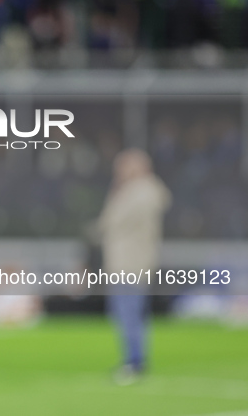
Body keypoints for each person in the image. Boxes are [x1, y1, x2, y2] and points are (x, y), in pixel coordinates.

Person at [97, 148, 170, 385]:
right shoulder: (138, 191)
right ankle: (134, 359)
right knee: (128, 313)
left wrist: (118, 190)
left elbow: (110, 222)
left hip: (131, 262)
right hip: (125, 261)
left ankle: (134, 361)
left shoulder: (142, 192)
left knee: (129, 313)